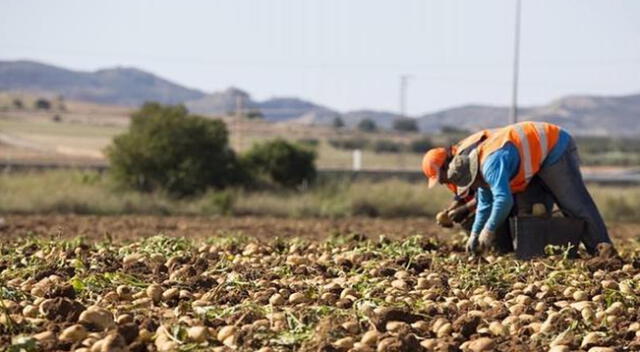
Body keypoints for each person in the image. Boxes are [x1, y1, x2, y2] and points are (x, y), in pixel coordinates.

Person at [447, 121, 612, 255]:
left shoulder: (491, 165)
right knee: (533, 208)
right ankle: (550, 252)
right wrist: (475, 234)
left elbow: (503, 200)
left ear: (473, 174)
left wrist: (489, 230)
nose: (472, 188)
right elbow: (484, 204)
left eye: (470, 184)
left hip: (554, 145)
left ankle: (603, 250)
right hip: (535, 155)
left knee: (573, 203)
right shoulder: (480, 176)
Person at [421, 130, 492, 230]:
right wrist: (450, 210)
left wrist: (466, 209)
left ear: (445, 166)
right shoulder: (455, 167)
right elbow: (464, 193)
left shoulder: (467, 160)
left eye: (440, 178)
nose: (441, 182)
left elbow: (489, 191)